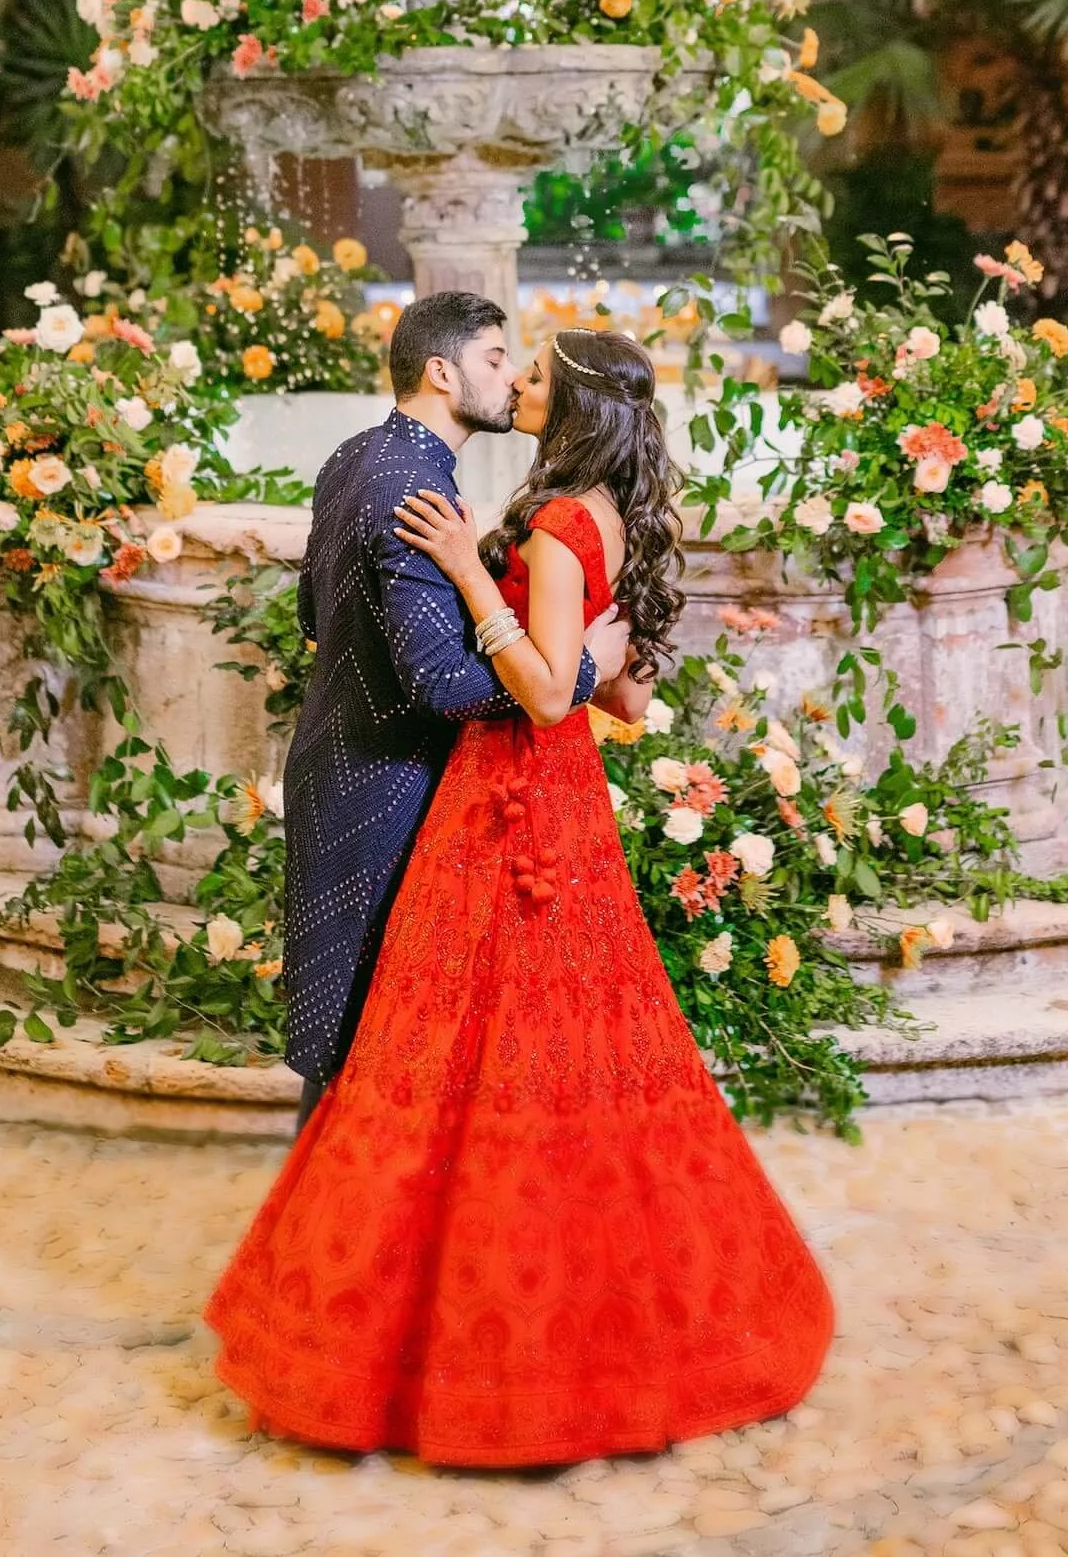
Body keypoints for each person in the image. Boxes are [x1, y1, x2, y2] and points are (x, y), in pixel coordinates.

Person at [208, 325, 834, 1466]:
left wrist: (461, 571)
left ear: (579, 407)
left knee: (458, 1041)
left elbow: (548, 698)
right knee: (577, 1045)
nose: (520, 386)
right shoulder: (621, 519)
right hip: (569, 814)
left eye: (537, 375)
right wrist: (590, 651)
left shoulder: (551, 527)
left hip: (504, 800)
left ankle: (440, 1337)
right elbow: (627, 703)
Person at [273, 289, 632, 1125]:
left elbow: (309, 615)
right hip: (386, 789)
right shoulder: (419, 493)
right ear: (442, 372)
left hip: (335, 758)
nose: (511, 381)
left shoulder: (358, 454)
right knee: (370, 1033)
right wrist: (583, 669)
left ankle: (333, 1229)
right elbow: (445, 685)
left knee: (349, 1026)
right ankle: (331, 1237)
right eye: (497, 360)